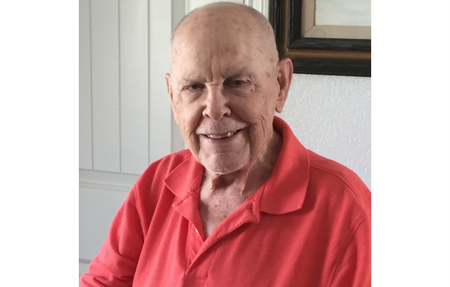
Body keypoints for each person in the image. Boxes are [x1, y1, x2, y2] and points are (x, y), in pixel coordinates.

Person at [80, 2, 371, 286]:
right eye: (193, 87)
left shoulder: (346, 210)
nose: (214, 109)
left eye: (238, 82)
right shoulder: (156, 183)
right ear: (172, 97)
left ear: (281, 84)